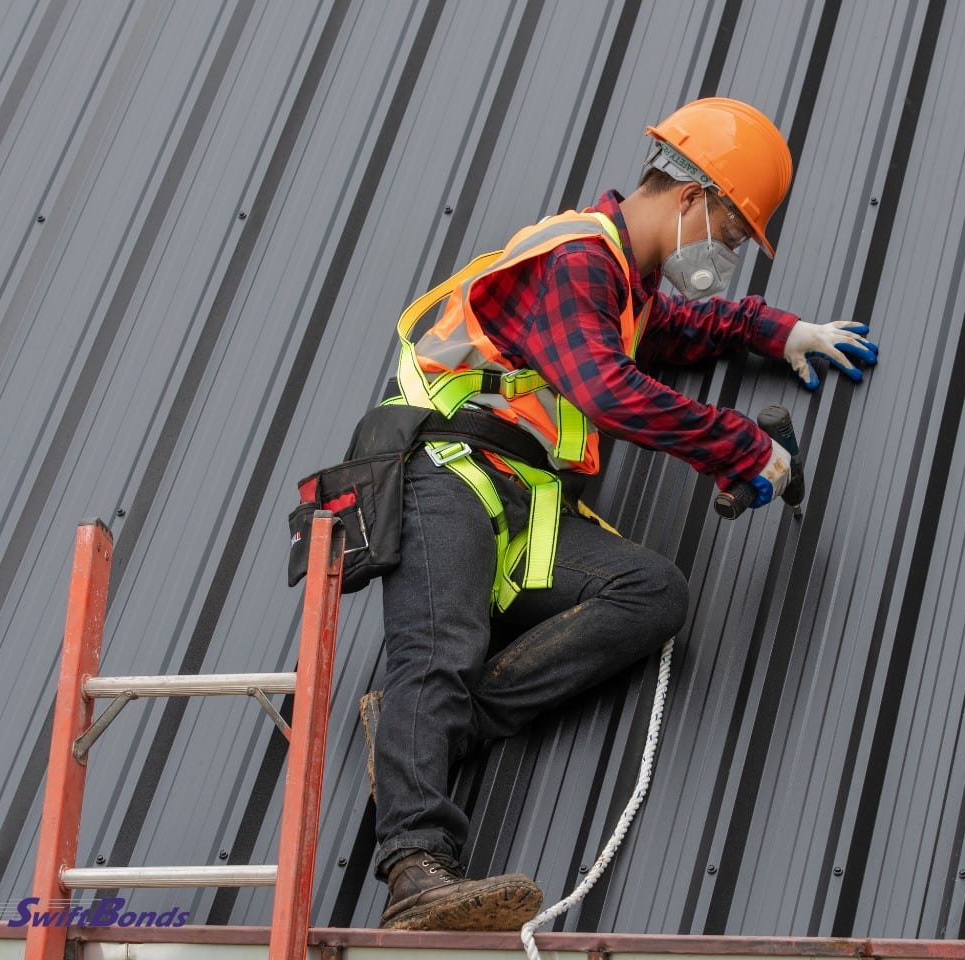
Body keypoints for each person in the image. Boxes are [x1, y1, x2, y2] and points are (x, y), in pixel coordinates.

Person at [366, 97, 879, 931]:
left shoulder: (624, 289)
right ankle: (416, 871)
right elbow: (606, 388)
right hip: (444, 470)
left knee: (653, 594)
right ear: (689, 201)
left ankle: (420, 737)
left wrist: (778, 331)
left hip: (518, 501)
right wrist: (742, 448)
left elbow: (679, 331)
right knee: (442, 644)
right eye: (734, 232)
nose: (731, 254)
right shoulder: (578, 259)